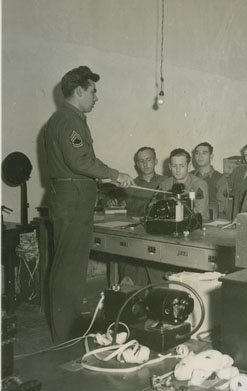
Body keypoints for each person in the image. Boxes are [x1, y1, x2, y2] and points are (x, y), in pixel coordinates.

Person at [43, 66, 134, 342]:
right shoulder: (68, 120)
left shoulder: (67, 118)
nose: (97, 96)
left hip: (72, 197)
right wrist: (115, 175)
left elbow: (80, 161)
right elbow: (79, 161)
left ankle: (68, 324)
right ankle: (65, 331)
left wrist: (108, 177)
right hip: (73, 199)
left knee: (70, 266)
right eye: (93, 91)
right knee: (69, 267)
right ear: (79, 90)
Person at [106, 146, 167, 217]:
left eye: (148, 160)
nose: (145, 164)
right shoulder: (129, 184)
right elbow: (108, 197)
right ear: (138, 164)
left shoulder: (166, 181)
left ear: (155, 161)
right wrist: (109, 202)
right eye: (141, 161)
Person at [156, 148, 209, 216]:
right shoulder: (164, 185)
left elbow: (199, 211)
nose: (178, 170)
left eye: (182, 166)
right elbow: (153, 206)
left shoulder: (199, 184)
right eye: (174, 166)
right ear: (170, 166)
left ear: (189, 166)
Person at [191, 142, 230, 218]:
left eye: (204, 153)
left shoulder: (220, 178)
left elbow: (221, 207)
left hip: (212, 218)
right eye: (197, 153)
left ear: (211, 156)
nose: (200, 156)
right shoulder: (190, 176)